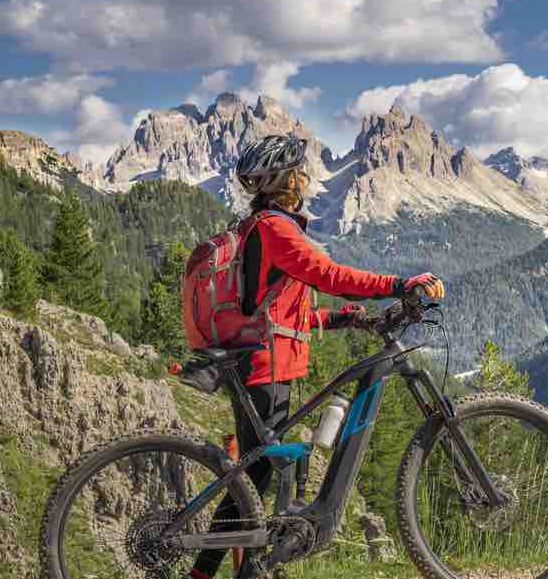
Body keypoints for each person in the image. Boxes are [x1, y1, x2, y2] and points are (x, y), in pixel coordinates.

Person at [189, 135, 444, 579]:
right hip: (265, 365)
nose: (304, 179)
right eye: (299, 173)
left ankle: (239, 569)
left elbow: (277, 312)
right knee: (257, 475)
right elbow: (326, 274)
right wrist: (399, 285)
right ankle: (215, 570)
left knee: (256, 476)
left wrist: (343, 320)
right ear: (287, 179)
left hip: (262, 356)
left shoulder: (261, 227)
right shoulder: (274, 227)